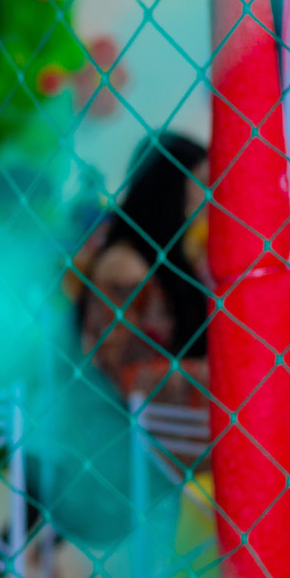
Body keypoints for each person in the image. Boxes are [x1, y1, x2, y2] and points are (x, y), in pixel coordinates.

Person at [76, 132, 210, 404]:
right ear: (171, 185)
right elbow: (125, 374)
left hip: (169, 422)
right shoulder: (124, 266)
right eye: (202, 180)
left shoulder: (168, 257)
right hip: (138, 429)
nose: (210, 193)